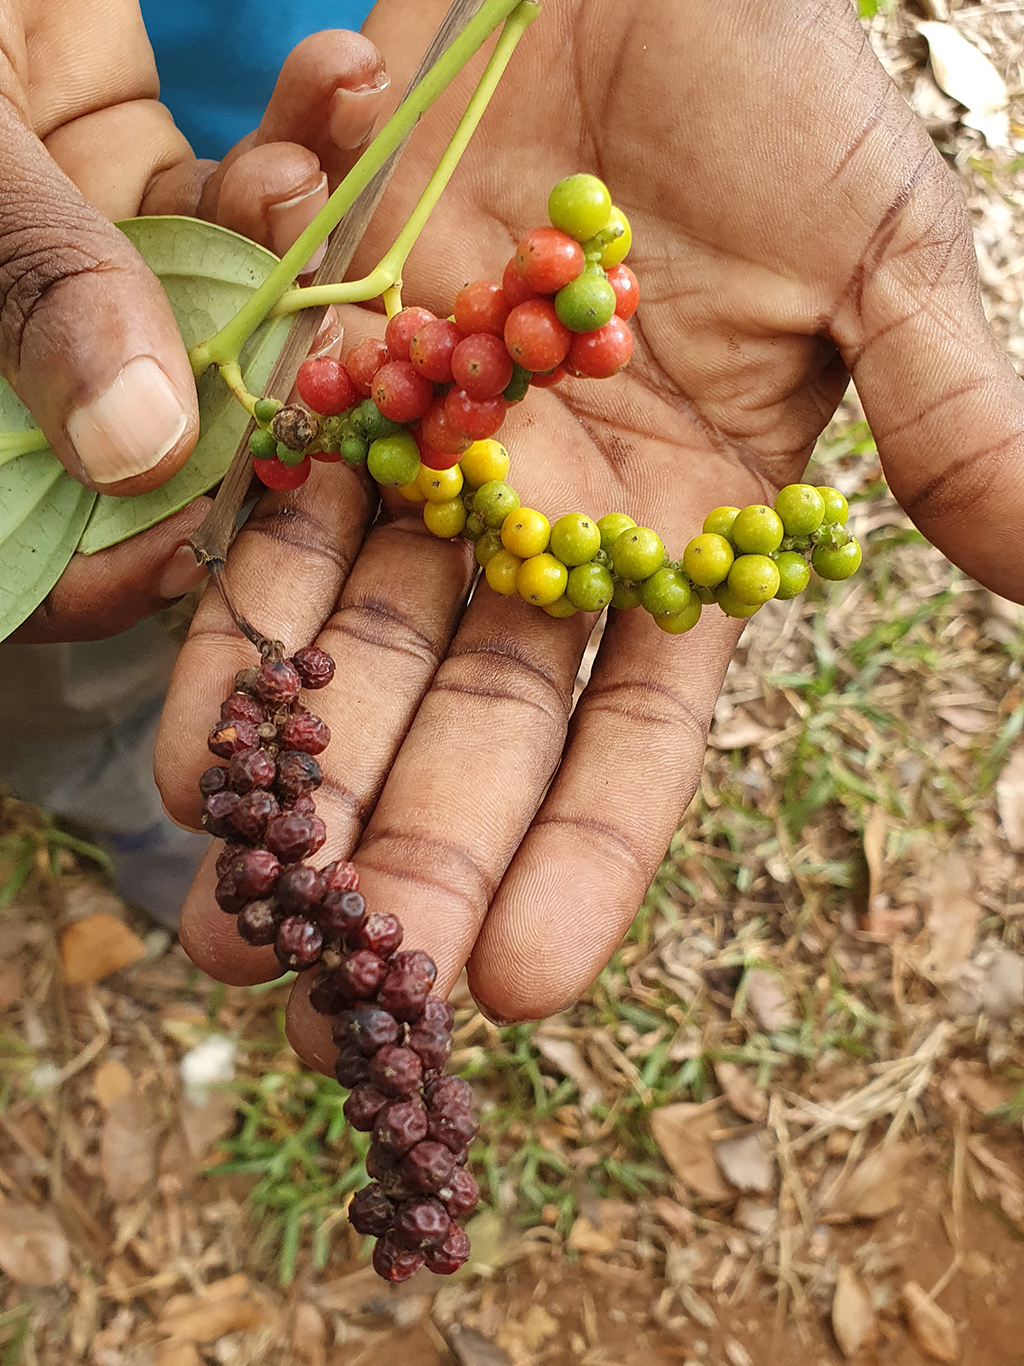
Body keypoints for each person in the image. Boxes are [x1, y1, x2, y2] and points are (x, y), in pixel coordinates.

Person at [1, 0, 1021, 1074]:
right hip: (89, 116)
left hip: (380, 79)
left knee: (146, 529)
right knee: (95, 576)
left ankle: (117, 764)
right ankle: (96, 761)